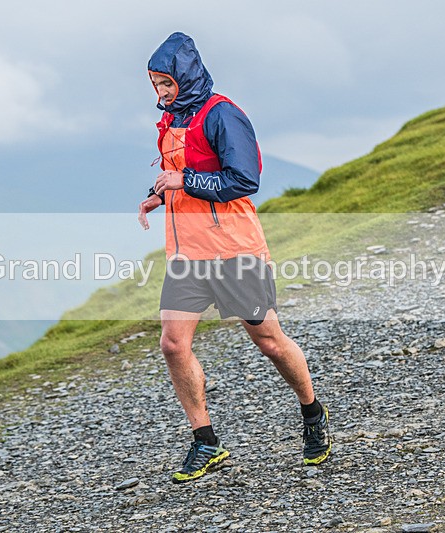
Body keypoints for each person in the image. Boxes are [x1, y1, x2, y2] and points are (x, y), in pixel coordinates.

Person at [138, 32, 331, 484]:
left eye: (166, 83)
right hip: (186, 254)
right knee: (172, 343)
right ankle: (206, 441)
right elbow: (180, 174)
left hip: (234, 250)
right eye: (155, 85)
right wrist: (155, 194)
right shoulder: (169, 121)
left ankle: (312, 411)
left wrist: (181, 185)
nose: (161, 93)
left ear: (185, 76)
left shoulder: (223, 114)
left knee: (267, 340)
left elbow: (242, 181)